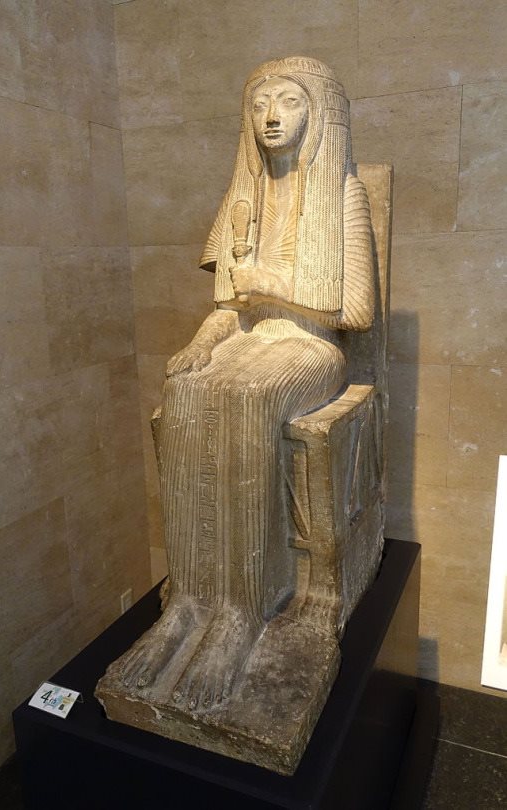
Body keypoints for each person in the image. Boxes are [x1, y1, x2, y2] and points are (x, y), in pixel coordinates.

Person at [123, 57, 374, 711]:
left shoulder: (344, 195)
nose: (271, 117)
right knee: (185, 393)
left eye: (288, 102)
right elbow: (228, 309)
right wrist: (200, 344)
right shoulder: (244, 199)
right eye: (260, 104)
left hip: (311, 348)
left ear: (317, 116)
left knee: (247, 396)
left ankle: (243, 609)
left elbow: (357, 312)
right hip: (246, 340)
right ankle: (189, 601)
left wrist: (274, 284)